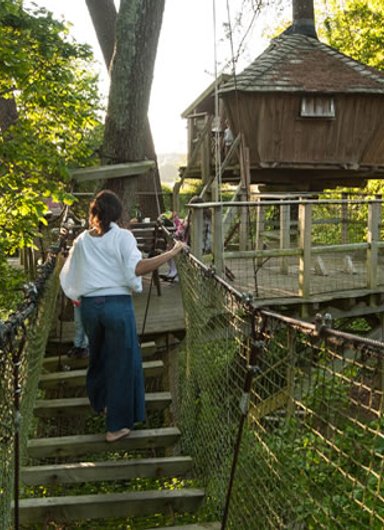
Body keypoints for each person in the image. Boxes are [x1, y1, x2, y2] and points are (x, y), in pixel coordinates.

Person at [59, 190, 185, 443]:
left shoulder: (82, 239)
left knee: (99, 355)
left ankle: (102, 402)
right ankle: (116, 426)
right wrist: (172, 253)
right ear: (118, 213)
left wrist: (77, 294)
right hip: (117, 306)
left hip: (90, 308)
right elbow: (137, 268)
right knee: (122, 362)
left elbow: (69, 270)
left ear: (94, 213)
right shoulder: (124, 237)